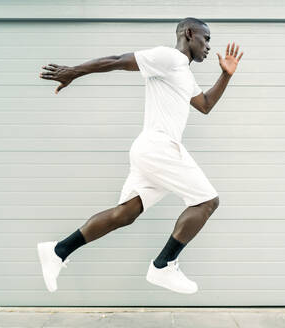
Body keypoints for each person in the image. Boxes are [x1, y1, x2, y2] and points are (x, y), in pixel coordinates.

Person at [37, 17, 243, 294]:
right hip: (159, 147)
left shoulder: (183, 72)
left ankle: (58, 250)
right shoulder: (168, 57)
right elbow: (119, 59)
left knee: (124, 214)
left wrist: (226, 75)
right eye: (206, 39)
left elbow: (204, 105)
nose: (208, 47)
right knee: (207, 201)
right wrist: (74, 71)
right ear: (190, 34)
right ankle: (163, 266)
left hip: (150, 151)